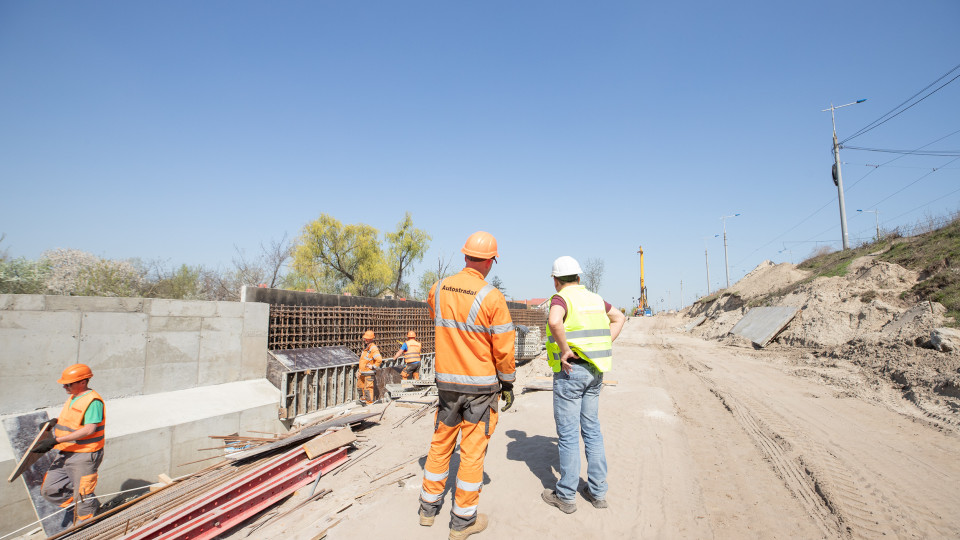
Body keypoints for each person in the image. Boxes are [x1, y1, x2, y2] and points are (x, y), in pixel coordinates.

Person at [418, 231, 516, 540]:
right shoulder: (491, 296)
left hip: (447, 383)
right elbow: (503, 348)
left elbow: (442, 322)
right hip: (480, 390)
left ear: (465, 256)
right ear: (490, 261)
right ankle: (462, 523)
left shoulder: (439, 288)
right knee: (472, 455)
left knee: (440, 443)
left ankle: (427, 510)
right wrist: (508, 382)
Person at [541, 256, 625, 514]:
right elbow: (619, 318)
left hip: (571, 372)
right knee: (592, 430)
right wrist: (602, 347)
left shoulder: (561, 298)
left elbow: (555, 321)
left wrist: (565, 349)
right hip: (594, 372)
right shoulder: (596, 299)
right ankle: (598, 492)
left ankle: (566, 496)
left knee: (567, 435)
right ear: (579, 278)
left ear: (556, 280)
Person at [34, 363, 106, 524]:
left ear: (82, 382)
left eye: (68, 384)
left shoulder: (93, 401)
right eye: (64, 384)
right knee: (49, 490)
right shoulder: (74, 397)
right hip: (67, 451)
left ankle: (89, 527)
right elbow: (73, 422)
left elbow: (89, 430)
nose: (65, 387)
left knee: (83, 495)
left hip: (85, 454)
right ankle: (90, 507)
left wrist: (55, 441)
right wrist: (53, 423)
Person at [357, 330, 383, 404]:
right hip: (363, 372)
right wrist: (360, 371)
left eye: (367, 338)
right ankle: (364, 400)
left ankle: (369, 403)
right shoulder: (367, 347)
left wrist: (373, 366)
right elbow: (363, 360)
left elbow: (379, 359)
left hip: (368, 372)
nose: (365, 339)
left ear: (371, 339)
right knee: (360, 387)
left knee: (368, 388)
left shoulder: (373, 348)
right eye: (365, 338)